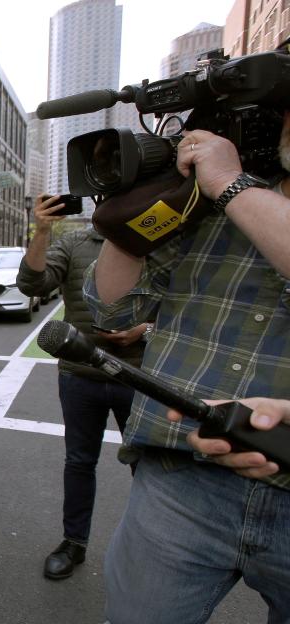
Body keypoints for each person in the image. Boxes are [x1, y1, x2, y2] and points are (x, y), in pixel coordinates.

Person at [85, 117, 290, 623]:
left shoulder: (227, 184)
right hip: (181, 480)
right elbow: (112, 310)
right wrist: (130, 213)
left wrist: (230, 185)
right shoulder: (208, 198)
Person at [16, 195, 148, 580]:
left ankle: (152, 550)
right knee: (78, 462)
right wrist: (42, 230)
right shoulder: (75, 243)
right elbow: (32, 283)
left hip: (140, 376)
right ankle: (74, 543)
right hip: (79, 374)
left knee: (148, 468)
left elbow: (180, 302)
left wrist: (145, 330)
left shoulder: (155, 237)